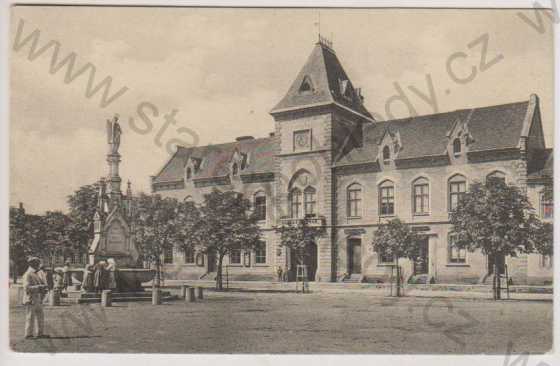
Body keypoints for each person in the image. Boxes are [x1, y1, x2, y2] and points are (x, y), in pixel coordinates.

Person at [22, 257, 49, 339]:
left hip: (38, 298)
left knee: (40, 316)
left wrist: (44, 288)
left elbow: (42, 282)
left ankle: (40, 333)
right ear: (31, 264)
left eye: (38, 262)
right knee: (30, 317)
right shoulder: (27, 274)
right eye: (36, 263)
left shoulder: (38, 273)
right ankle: (28, 334)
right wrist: (39, 287)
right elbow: (26, 288)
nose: (38, 264)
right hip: (31, 298)